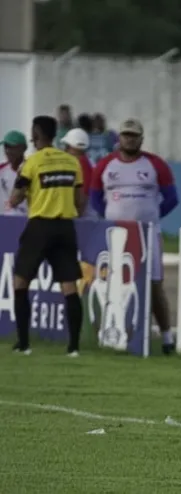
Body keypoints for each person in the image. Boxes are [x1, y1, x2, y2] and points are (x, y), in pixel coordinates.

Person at [90, 118, 179, 355]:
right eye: (126, 135)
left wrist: (153, 217)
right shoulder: (105, 165)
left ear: (141, 139)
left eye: (134, 135)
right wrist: (109, 216)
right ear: (119, 138)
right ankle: (113, 332)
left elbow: (171, 197)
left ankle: (167, 337)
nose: (129, 139)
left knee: (154, 284)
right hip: (115, 233)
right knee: (112, 281)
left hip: (147, 233)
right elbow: (95, 196)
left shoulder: (155, 164)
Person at [9, 116, 87, 356]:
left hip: (40, 226)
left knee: (20, 282)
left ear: (35, 134)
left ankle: (24, 344)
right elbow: (80, 201)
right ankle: (73, 348)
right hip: (65, 227)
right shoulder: (72, 162)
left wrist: (27, 195)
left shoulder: (33, 162)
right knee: (69, 286)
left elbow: (15, 198)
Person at [60, 128, 94, 216]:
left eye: (67, 146)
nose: (64, 149)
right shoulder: (87, 162)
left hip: (81, 218)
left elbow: (83, 199)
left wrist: (76, 219)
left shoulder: (82, 164)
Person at [0, 130, 29, 216]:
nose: (8, 151)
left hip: (28, 221)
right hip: (5, 222)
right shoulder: (1, 169)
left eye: (12, 147)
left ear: (23, 148)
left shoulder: (32, 169)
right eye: (6, 147)